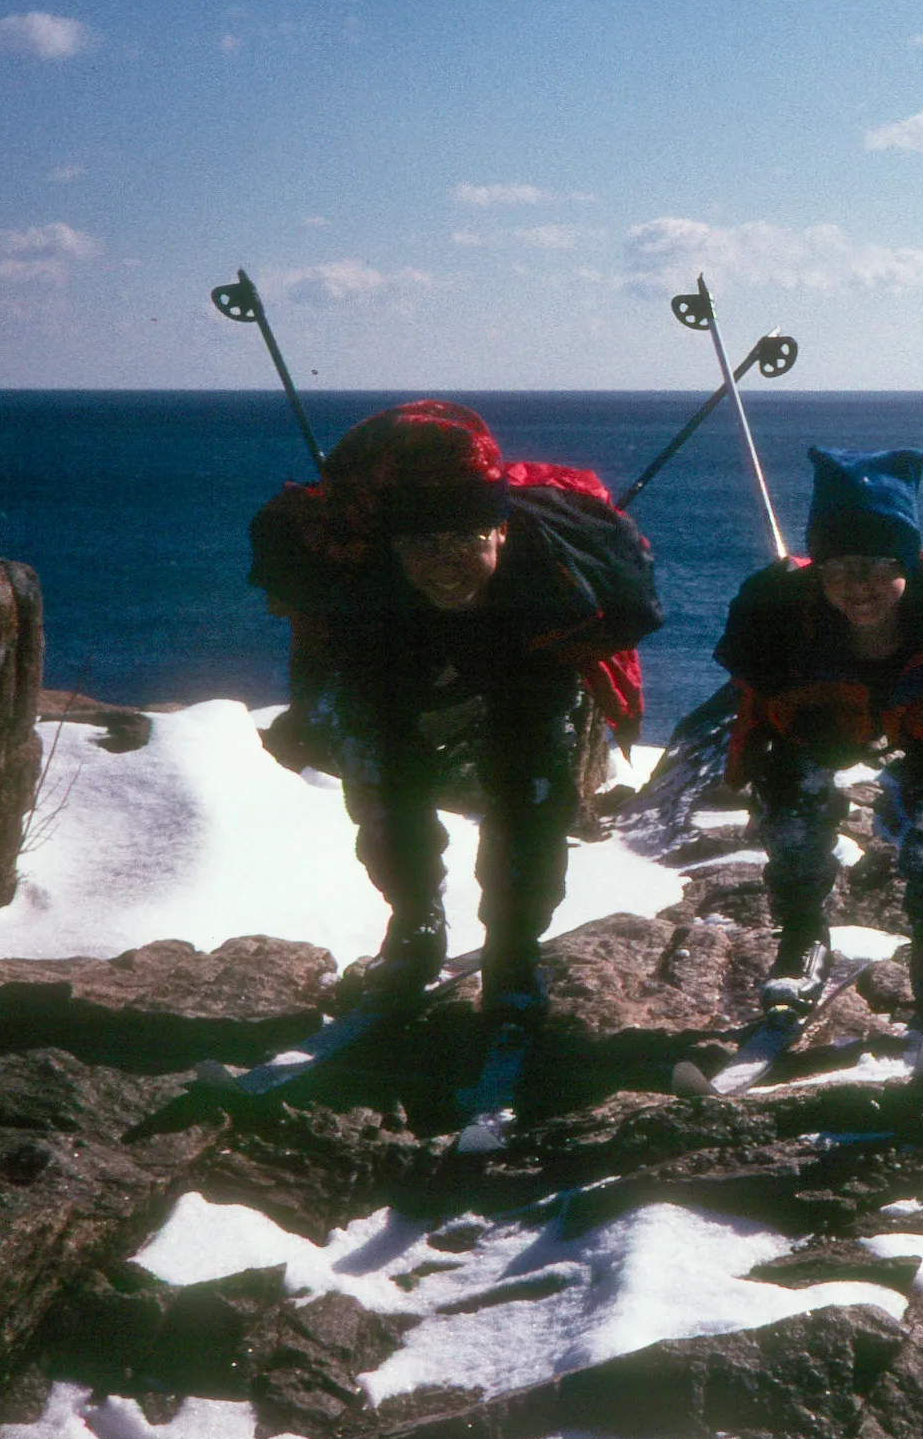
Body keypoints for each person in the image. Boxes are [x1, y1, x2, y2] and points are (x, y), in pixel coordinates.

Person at [248, 400, 660, 1021]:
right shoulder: (363, 592)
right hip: (396, 660)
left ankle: (514, 950)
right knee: (383, 782)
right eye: (422, 545)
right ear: (392, 546)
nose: (445, 565)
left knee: (533, 794)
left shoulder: (551, 588)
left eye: (464, 540)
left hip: (525, 659)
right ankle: (416, 925)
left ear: (500, 530)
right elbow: (326, 664)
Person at [713, 445, 923, 1034]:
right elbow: (762, 706)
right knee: (790, 792)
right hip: (832, 715)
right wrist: (792, 738)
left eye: (874, 566)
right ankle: (802, 942)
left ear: (906, 565)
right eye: (837, 569)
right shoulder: (788, 627)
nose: (856, 585)